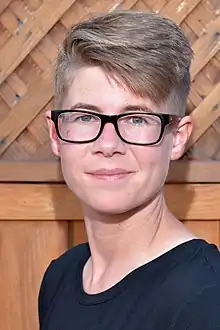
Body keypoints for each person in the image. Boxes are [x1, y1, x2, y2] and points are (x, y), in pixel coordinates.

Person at [38, 10, 220, 330]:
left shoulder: (205, 298)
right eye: (86, 117)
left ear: (177, 138)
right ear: (56, 134)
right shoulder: (61, 277)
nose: (108, 145)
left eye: (137, 119)